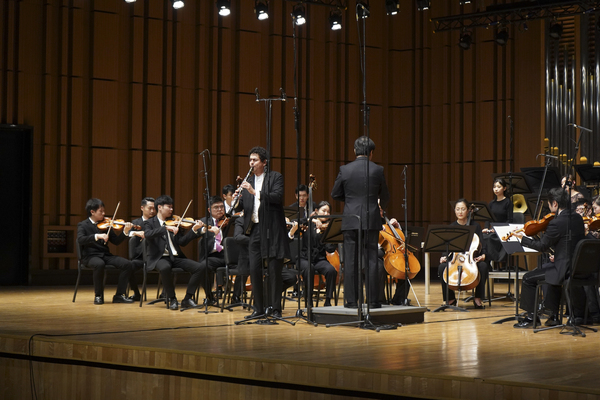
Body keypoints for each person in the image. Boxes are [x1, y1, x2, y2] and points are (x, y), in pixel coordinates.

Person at [513, 187, 586, 328]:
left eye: (549, 204)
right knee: (549, 271)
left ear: (555, 204)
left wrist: (523, 239)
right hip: (578, 267)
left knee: (528, 278)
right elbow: (568, 243)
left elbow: (541, 246)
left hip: (564, 269)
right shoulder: (577, 218)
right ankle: (553, 316)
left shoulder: (556, 223)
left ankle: (532, 318)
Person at [331, 136, 390, 309]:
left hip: (351, 219)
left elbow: (335, 194)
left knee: (350, 261)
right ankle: (373, 301)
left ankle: (351, 301)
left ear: (354, 151)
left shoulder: (345, 169)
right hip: (371, 219)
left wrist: (350, 200)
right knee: (371, 260)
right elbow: (385, 195)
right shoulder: (378, 170)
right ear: (371, 153)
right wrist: (378, 204)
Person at [234, 146, 291, 319]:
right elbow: (243, 207)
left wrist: (254, 192)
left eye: (255, 160)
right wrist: (236, 199)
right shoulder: (248, 181)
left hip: (272, 229)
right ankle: (258, 309)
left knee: (274, 271)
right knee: (255, 269)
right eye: (250, 160)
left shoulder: (275, 177)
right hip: (255, 229)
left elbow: (277, 197)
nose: (251, 163)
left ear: (264, 162)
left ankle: (275, 309)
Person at [143, 195, 208, 310]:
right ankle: (172, 298)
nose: (171, 209)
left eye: (172, 207)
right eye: (169, 207)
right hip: (159, 257)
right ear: (160, 207)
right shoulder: (150, 222)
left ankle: (188, 298)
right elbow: (147, 234)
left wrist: (194, 230)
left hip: (175, 257)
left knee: (200, 267)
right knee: (165, 268)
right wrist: (165, 228)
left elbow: (182, 242)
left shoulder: (175, 222)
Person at [76, 198, 135, 305]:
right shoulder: (83, 225)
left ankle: (119, 295)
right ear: (92, 212)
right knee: (99, 264)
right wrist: (97, 236)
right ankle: (98, 295)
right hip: (90, 256)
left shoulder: (107, 225)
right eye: (101, 211)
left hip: (105, 255)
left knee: (127, 264)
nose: (104, 214)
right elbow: (80, 239)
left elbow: (116, 241)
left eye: (104, 211)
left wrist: (125, 232)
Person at [437, 198, 489, 309]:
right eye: (457, 209)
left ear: (468, 211)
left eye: (463, 209)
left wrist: (483, 255)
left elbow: (482, 243)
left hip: (471, 259)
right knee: (442, 267)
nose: (460, 212)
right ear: (455, 211)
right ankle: (450, 299)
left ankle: (478, 298)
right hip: (455, 259)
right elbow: (446, 245)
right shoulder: (452, 227)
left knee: (483, 266)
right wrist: (444, 256)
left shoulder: (475, 226)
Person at [289, 201, 338, 307]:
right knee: (309, 268)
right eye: (323, 211)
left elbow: (330, 250)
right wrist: (312, 219)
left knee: (331, 270)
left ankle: (328, 301)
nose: (326, 214)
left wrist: (331, 236)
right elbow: (293, 222)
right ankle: (309, 301)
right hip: (304, 258)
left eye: (328, 212)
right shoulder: (308, 223)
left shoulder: (328, 228)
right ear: (316, 211)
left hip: (319, 260)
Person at [198, 196, 231, 301]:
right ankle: (209, 296)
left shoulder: (229, 221)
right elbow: (196, 232)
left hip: (228, 255)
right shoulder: (204, 222)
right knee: (203, 266)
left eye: (222, 207)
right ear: (209, 210)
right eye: (216, 207)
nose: (220, 209)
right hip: (212, 256)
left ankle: (236, 296)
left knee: (246, 263)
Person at [482, 177, 513, 263]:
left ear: (504, 188)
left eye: (499, 187)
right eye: (494, 187)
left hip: (503, 230)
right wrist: (486, 227)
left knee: (490, 238)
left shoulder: (508, 202)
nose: (496, 189)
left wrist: (498, 229)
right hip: (492, 230)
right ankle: (485, 261)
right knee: (482, 236)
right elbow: (488, 218)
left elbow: (509, 220)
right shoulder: (491, 203)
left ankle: (493, 260)